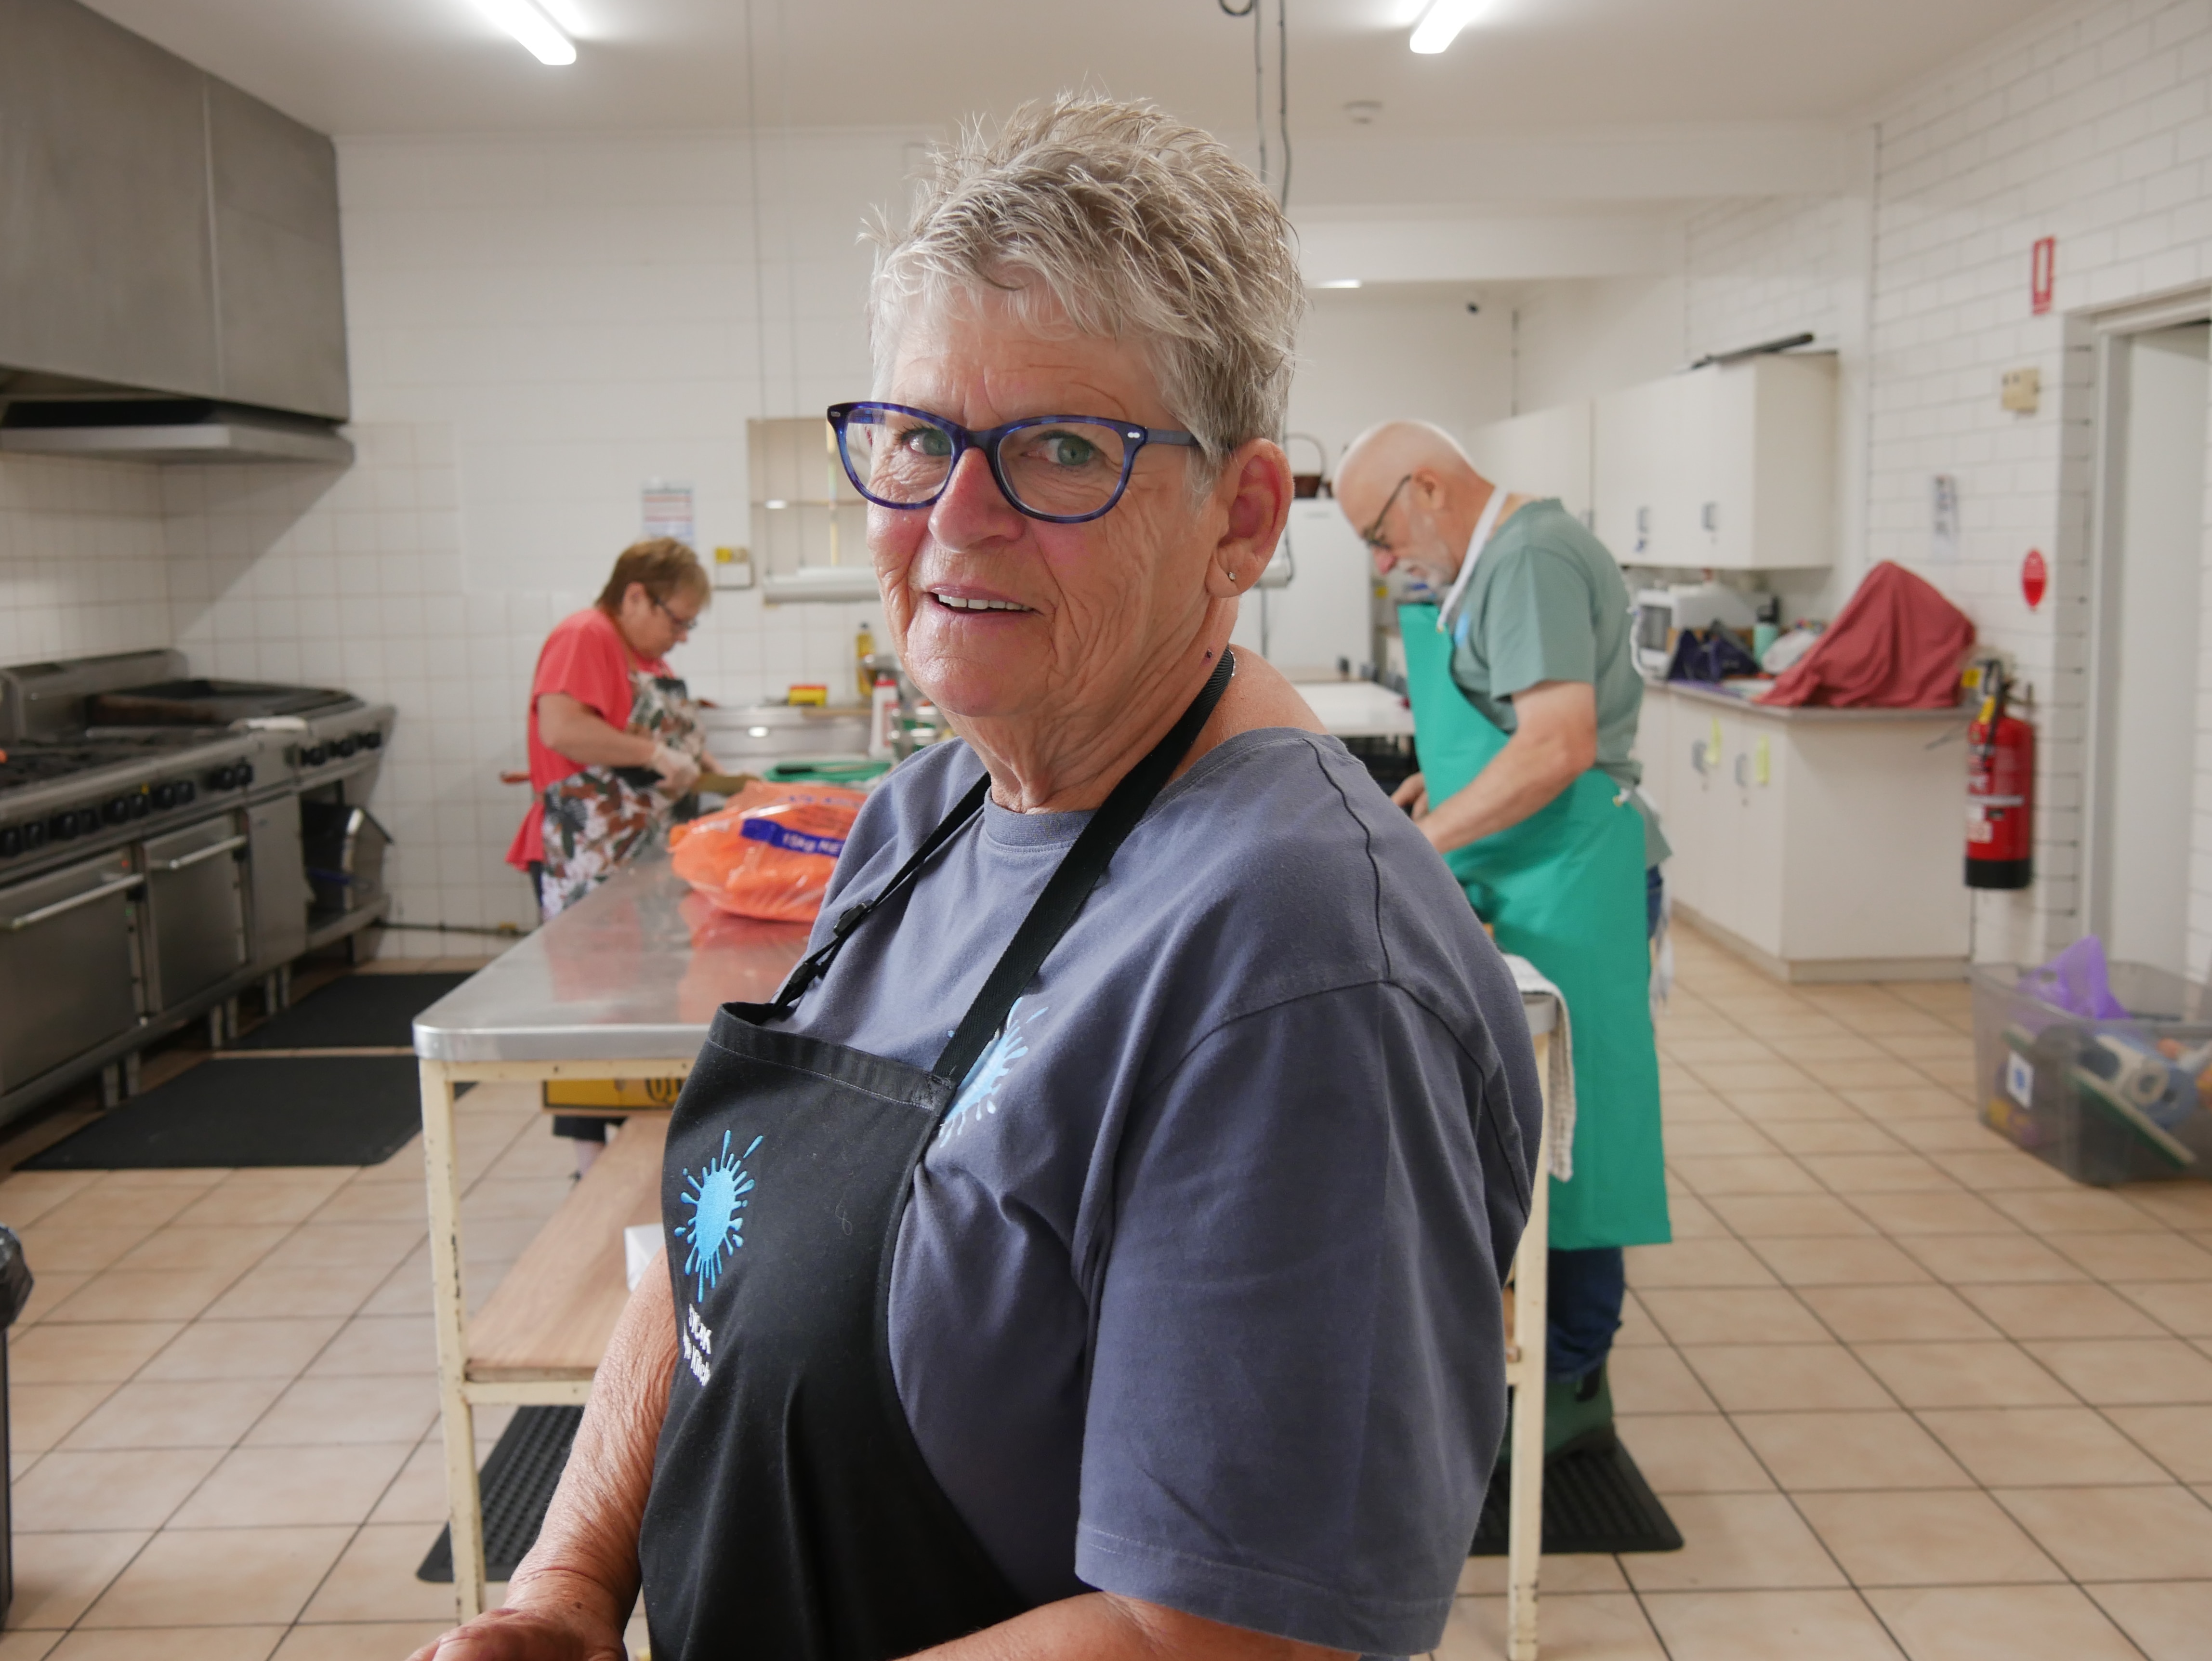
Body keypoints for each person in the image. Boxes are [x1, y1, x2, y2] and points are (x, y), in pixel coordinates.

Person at [418, 97, 1538, 1661]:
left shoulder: (1294, 962)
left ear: (1241, 517)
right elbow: (718, 1260)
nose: (954, 515)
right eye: (920, 439)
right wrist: (569, 1582)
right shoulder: (930, 806)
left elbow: (1218, 1633)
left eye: (1064, 449)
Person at [1334, 422, 1671, 1463]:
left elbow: (1562, 739)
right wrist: (1449, 783)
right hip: (1529, 861)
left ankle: (1572, 1375)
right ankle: (1521, 1344)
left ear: (1427, 486)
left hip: (1574, 870)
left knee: (1577, 1129)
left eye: (1382, 536)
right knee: (1524, 1124)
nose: (1389, 564)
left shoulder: (1525, 554)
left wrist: (1424, 842)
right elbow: (1512, 719)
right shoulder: (1490, 566)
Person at [505, 537, 716, 1168]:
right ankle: (587, 1162)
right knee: (591, 1010)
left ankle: (637, 1151)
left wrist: (722, 781)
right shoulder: (585, 635)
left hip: (639, 855)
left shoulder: (639, 657)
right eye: (676, 619)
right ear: (634, 595)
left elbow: (671, 738)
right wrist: (654, 756)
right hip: (585, 856)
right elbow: (563, 729)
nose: (680, 636)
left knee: (639, 1003)